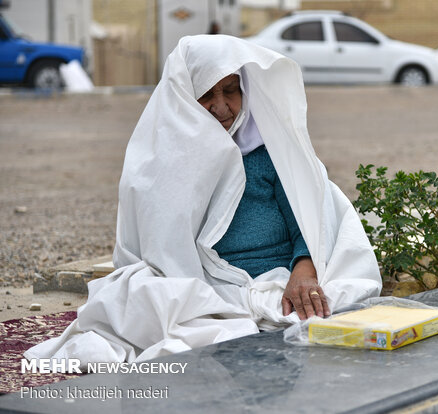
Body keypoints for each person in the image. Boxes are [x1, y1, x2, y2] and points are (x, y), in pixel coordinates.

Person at [25, 35, 381, 366]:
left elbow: (311, 219)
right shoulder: (159, 160)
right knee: (133, 297)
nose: (221, 106)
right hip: (205, 288)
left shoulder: (269, 150)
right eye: (206, 94)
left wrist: (304, 271)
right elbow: (156, 253)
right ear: (183, 96)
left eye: (231, 90)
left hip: (280, 280)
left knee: (336, 299)